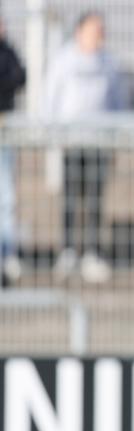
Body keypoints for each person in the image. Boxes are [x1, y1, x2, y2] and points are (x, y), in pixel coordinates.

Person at [44, 11, 126, 284]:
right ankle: (68, 250)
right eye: (93, 30)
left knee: (94, 198)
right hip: (71, 140)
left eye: (101, 30)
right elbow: (51, 96)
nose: (98, 35)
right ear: (79, 31)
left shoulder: (108, 62)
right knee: (70, 196)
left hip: (99, 140)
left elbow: (116, 100)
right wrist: (54, 133)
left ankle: (92, 252)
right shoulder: (64, 60)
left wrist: (116, 137)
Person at [0, 18, 25, 288]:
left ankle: (7, 255)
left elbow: (20, 77)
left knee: (6, 195)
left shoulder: (8, 51)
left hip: (5, 132)